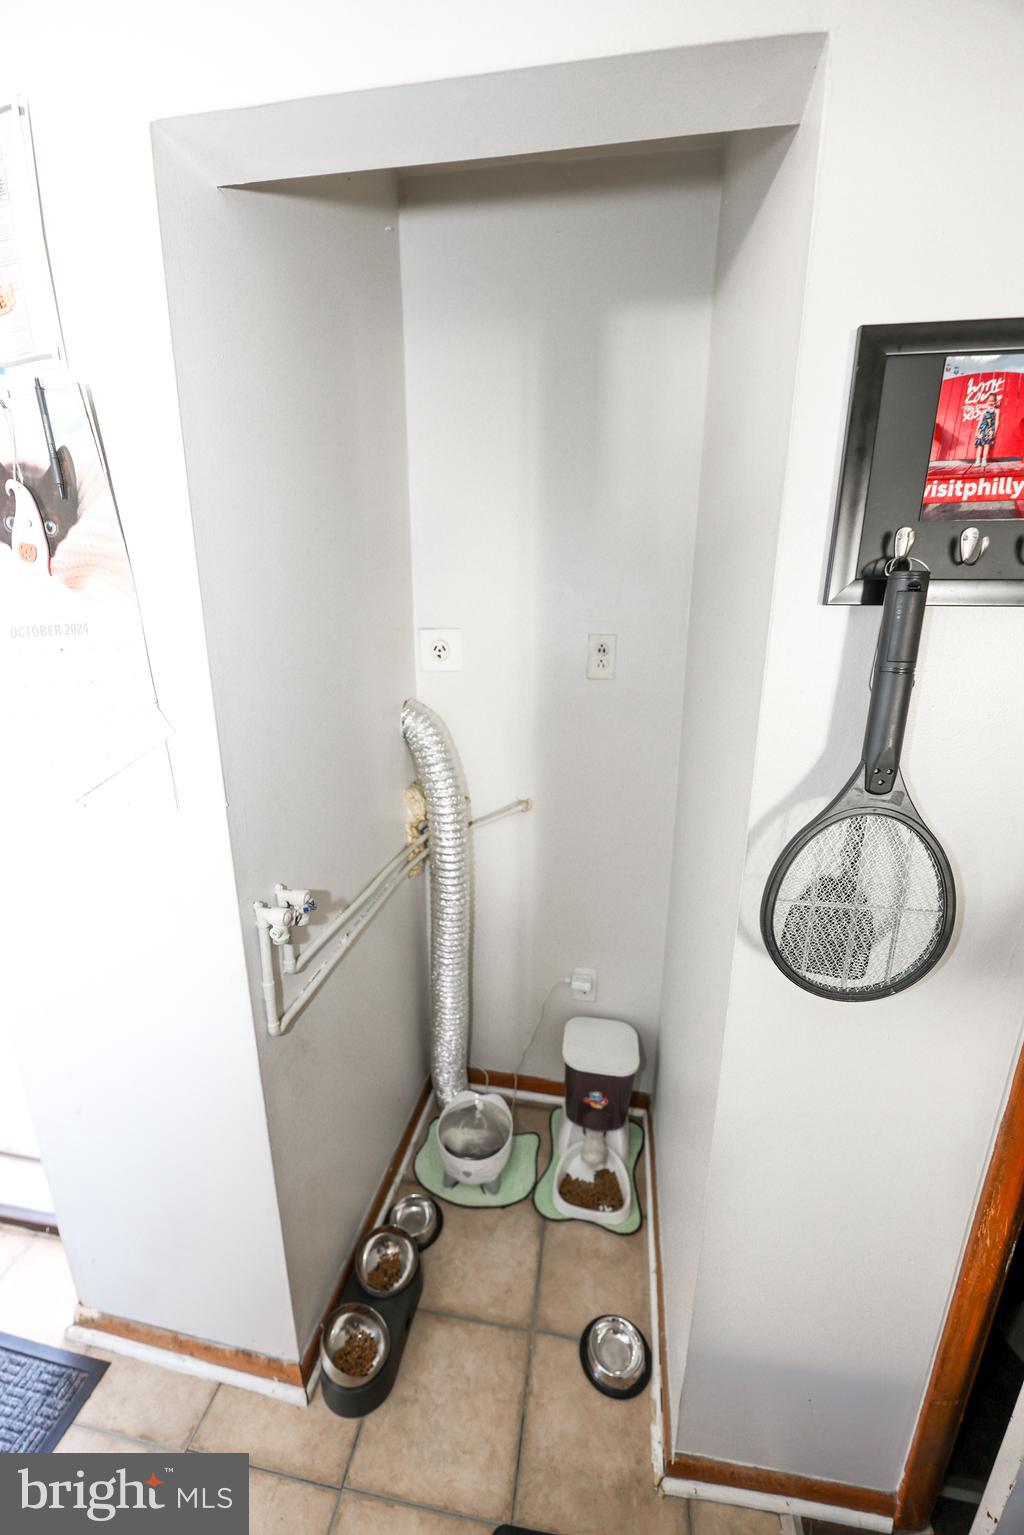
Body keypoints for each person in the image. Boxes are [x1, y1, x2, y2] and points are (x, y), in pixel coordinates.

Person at [974, 393, 1000, 466]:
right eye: (989, 401)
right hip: (982, 429)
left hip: (989, 430)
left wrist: (995, 431)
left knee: (987, 444)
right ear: (986, 402)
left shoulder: (996, 411)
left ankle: (984, 459)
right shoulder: (984, 411)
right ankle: (977, 460)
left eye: (992, 401)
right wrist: (976, 431)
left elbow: (997, 421)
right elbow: (980, 421)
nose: (991, 403)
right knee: (979, 444)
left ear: (995, 402)